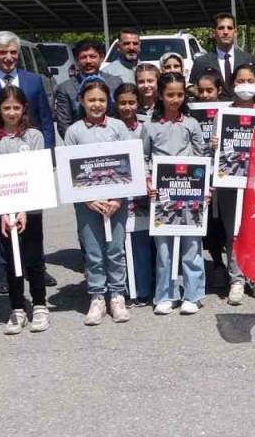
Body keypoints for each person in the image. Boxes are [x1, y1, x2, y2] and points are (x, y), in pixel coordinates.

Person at [0, 86, 51, 334]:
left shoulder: (34, 137)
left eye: (16, 108)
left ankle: (40, 305)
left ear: (24, 109)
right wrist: (3, 212)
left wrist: (23, 208)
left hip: (30, 210)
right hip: (4, 212)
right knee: (11, 260)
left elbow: (37, 173)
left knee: (33, 258)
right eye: (7, 108)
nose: (12, 112)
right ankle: (17, 308)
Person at [64, 80, 134, 326]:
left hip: (117, 202)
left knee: (115, 250)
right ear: (82, 101)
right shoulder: (73, 132)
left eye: (102, 100)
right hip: (87, 204)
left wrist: (118, 198)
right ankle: (97, 297)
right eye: (91, 100)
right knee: (93, 252)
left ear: (108, 102)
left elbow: (129, 164)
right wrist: (87, 199)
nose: (96, 105)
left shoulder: (118, 128)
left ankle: (117, 295)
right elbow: (68, 170)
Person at [145, 72, 210, 316]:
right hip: (162, 196)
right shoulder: (150, 126)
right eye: (170, 94)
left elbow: (203, 156)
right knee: (164, 249)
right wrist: (148, 180)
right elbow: (143, 157)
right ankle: (165, 294)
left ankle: (192, 295)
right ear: (160, 96)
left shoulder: (191, 124)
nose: (175, 99)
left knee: (191, 245)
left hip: (191, 194)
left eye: (180, 94)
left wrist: (205, 186)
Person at [212, 64, 255, 305]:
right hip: (231, 182)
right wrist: (214, 145)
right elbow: (216, 153)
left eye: (250, 80)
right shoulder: (223, 115)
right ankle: (236, 280)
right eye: (241, 80)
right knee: (234, 232)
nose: (245, 84)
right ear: (232, 84)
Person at [0, 31, 55, 157]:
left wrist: (49, 156)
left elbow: (46, 122)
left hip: (31, 152)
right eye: (3, 52)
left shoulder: (34, 81)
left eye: (13, 52)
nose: (9, 58)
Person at [112, 82, 153, 307]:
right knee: (121, 242)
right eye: (122, 103)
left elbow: (149, 156)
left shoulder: (145, 127)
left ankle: (144, 289)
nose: (127, 107)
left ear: (138, 103)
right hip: (118, 191)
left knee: (141, 242)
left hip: (141, 192)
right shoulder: (112, 127)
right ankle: (125, 289)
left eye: (131, 102)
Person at [54, 39, 120, 139]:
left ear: (101, 57)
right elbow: (64, 125)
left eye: (92, 56)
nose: (88, 61)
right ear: (77, 60)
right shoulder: (65, 88)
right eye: (83, 57)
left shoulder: (115, 83)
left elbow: (120, 116)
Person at [190, 12, 253, 89]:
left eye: (229, 28)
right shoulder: (201, 62)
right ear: (213, 33)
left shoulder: (248, 60)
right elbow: (192, 87)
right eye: (221, 28)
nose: (226, 32)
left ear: (235, 33)